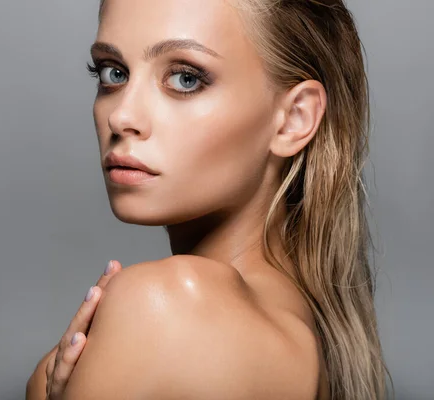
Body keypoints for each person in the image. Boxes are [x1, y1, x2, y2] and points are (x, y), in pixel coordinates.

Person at [27, 0, 393, 398]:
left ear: (294, 118)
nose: (121, 117)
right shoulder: (303, 328)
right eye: (113, 73)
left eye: (185, 79)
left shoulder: (169, 307)